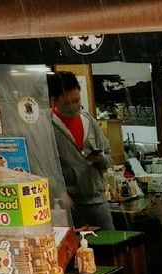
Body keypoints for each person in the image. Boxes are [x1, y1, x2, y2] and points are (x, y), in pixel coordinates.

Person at [48, 71, 115, 230]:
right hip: (70, 206)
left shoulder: (89, 122)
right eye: (68, 103)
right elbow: (44, 168)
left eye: (77, 100)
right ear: (54, 101)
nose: (74, 106)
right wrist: (58, 192)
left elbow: (109, 158)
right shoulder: (47, 128)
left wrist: (101, 160)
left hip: (98, 200)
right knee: (80, 251)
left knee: (113, 248)